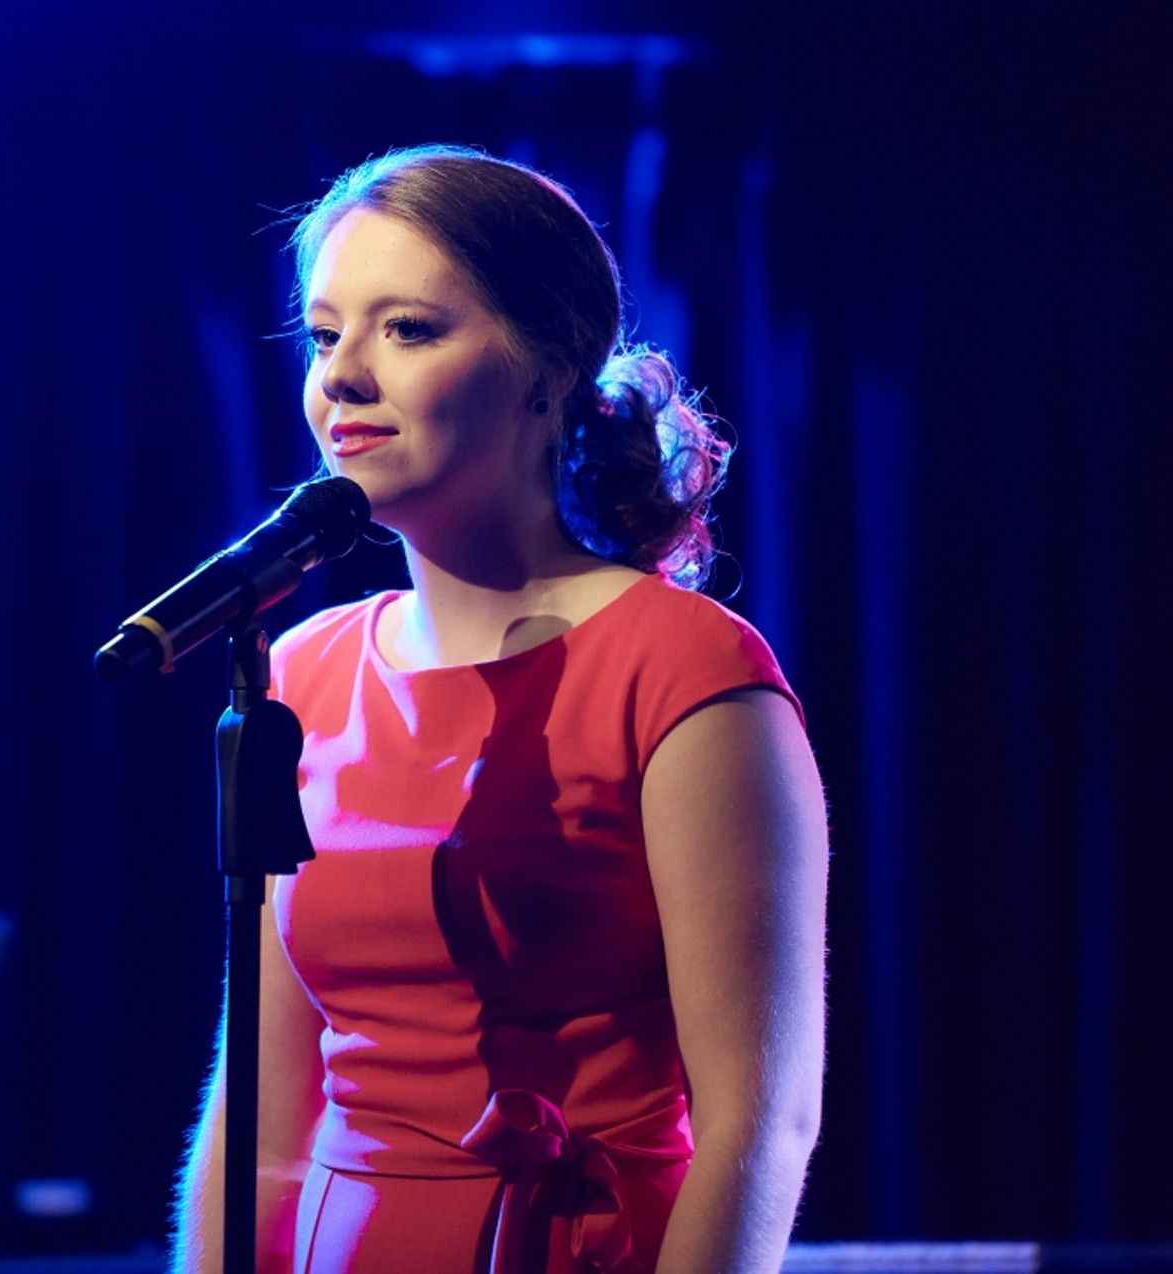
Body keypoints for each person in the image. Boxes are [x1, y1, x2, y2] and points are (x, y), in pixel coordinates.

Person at [173, 145, 828, 1274]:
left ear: (545, 366)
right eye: (325, 334)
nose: (341, 377)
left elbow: (756, 1122)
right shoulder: (302, 668)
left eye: (407, 328)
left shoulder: (685, 670)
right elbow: (265, 1112)